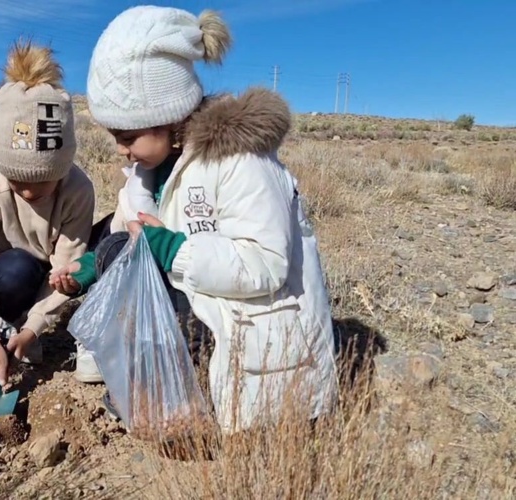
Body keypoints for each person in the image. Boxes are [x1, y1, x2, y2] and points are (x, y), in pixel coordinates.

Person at [50, 6, 339, 433]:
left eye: (127, 136)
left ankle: (184, 395)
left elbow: (265, 264)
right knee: (111, 248)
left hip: (257, 341)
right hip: (205, 309)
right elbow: (125, 242)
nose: (120, 150)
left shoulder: (240, 162)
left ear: (167, 116)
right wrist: (88, 270)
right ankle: (164, 387)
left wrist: (173, 249)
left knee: (137, 255)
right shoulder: (145, 174)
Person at [0, 39, 95, 390]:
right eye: (18, 182)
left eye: (44, 181)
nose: (30, 192)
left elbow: (67, 265)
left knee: (103, 254)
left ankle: (35, 333)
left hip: (53, 273)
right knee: (15, 268)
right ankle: (5, 329)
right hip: (13, 272)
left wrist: (35, 329)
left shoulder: (78, 189)